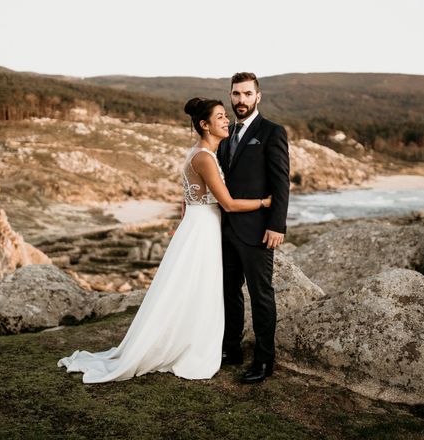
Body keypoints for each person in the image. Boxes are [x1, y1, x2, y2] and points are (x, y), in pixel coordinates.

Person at [57, 97, 271, 383]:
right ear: (204, 125)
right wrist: (263, 202)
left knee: (192, 289)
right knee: (199, 288)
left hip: (198, 225)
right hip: (203, 229)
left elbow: (187, 202)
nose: (226, 121)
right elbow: (229, 204)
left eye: (225, 116)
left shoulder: (199, 153)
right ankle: (188, 345)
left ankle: (191, 338)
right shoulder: (204, 158)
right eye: (220, 117)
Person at [216, 72, 290, 384]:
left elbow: (281, 182)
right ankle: (231, 349)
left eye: (247, 94)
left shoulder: (272, 132)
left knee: (261, 295)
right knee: (228, 291)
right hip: (226, 228)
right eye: (236, 94)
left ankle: (264, 360)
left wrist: (277, 225)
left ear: (258, 97)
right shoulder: (227, 133)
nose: (241, 100)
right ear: (230, 96)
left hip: (259, 230)